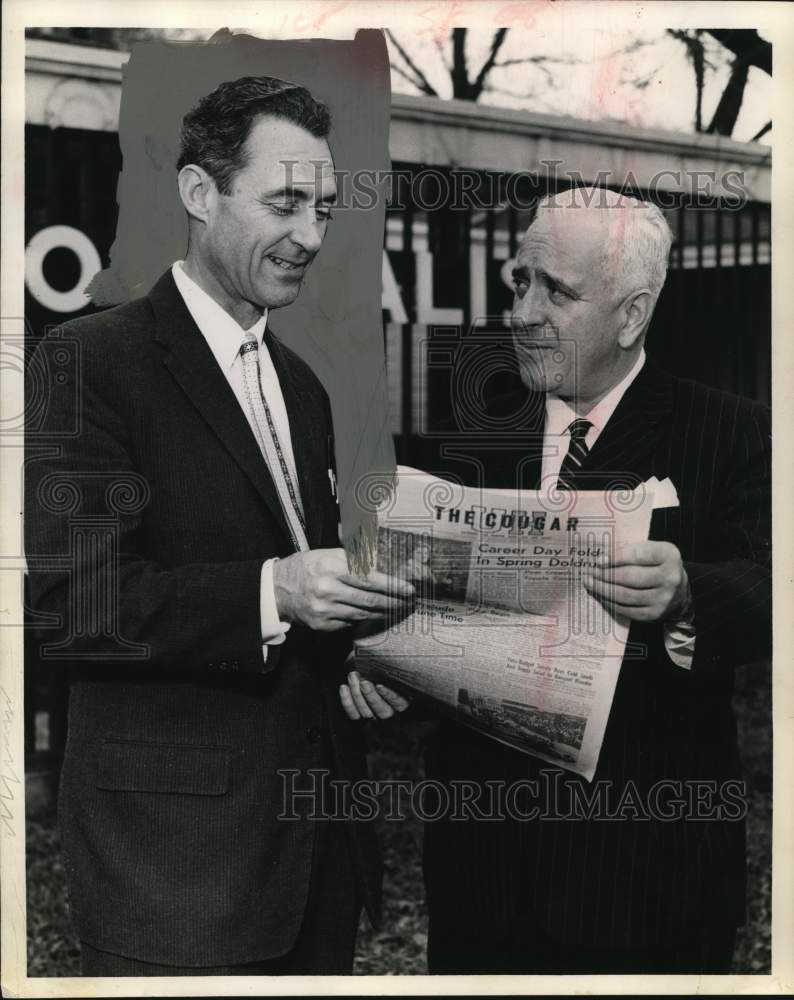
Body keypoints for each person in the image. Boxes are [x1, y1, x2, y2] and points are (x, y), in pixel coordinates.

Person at [24, 75, 413, 976]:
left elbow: (303, 608)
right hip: (174, 883)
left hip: (315, 874)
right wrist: (273, 592)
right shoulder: (87, 361)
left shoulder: (304, 388)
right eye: (284, 203)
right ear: (200, 193)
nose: (311, 236)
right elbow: (74, 603)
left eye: (321, 208)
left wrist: (354, 661)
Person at [417, 187, 771, 974]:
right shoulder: (473, 423)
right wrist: (377, 659)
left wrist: (689, 593)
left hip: (641, 881)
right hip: (478, 879)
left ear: (632, 313)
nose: (523, 311)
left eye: (557, 292)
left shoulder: (732, 431)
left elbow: (772, 584)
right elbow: (434, 598)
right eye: (519, 282)